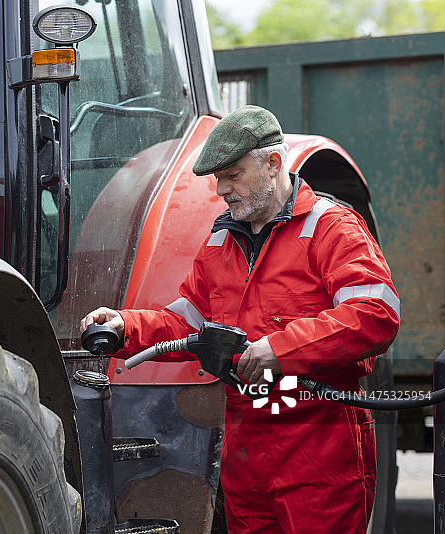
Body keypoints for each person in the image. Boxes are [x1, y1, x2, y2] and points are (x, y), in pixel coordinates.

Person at [80, 105, 400, 534]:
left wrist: (281, 350)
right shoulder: (220, 244)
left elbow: (375, 314)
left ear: (273, 164)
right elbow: (188, 324)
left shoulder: (331, 228)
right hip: (246, 457)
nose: (222, 189)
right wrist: (125, 325)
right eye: (218, 178)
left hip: (317, 448)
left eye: (232, 174)